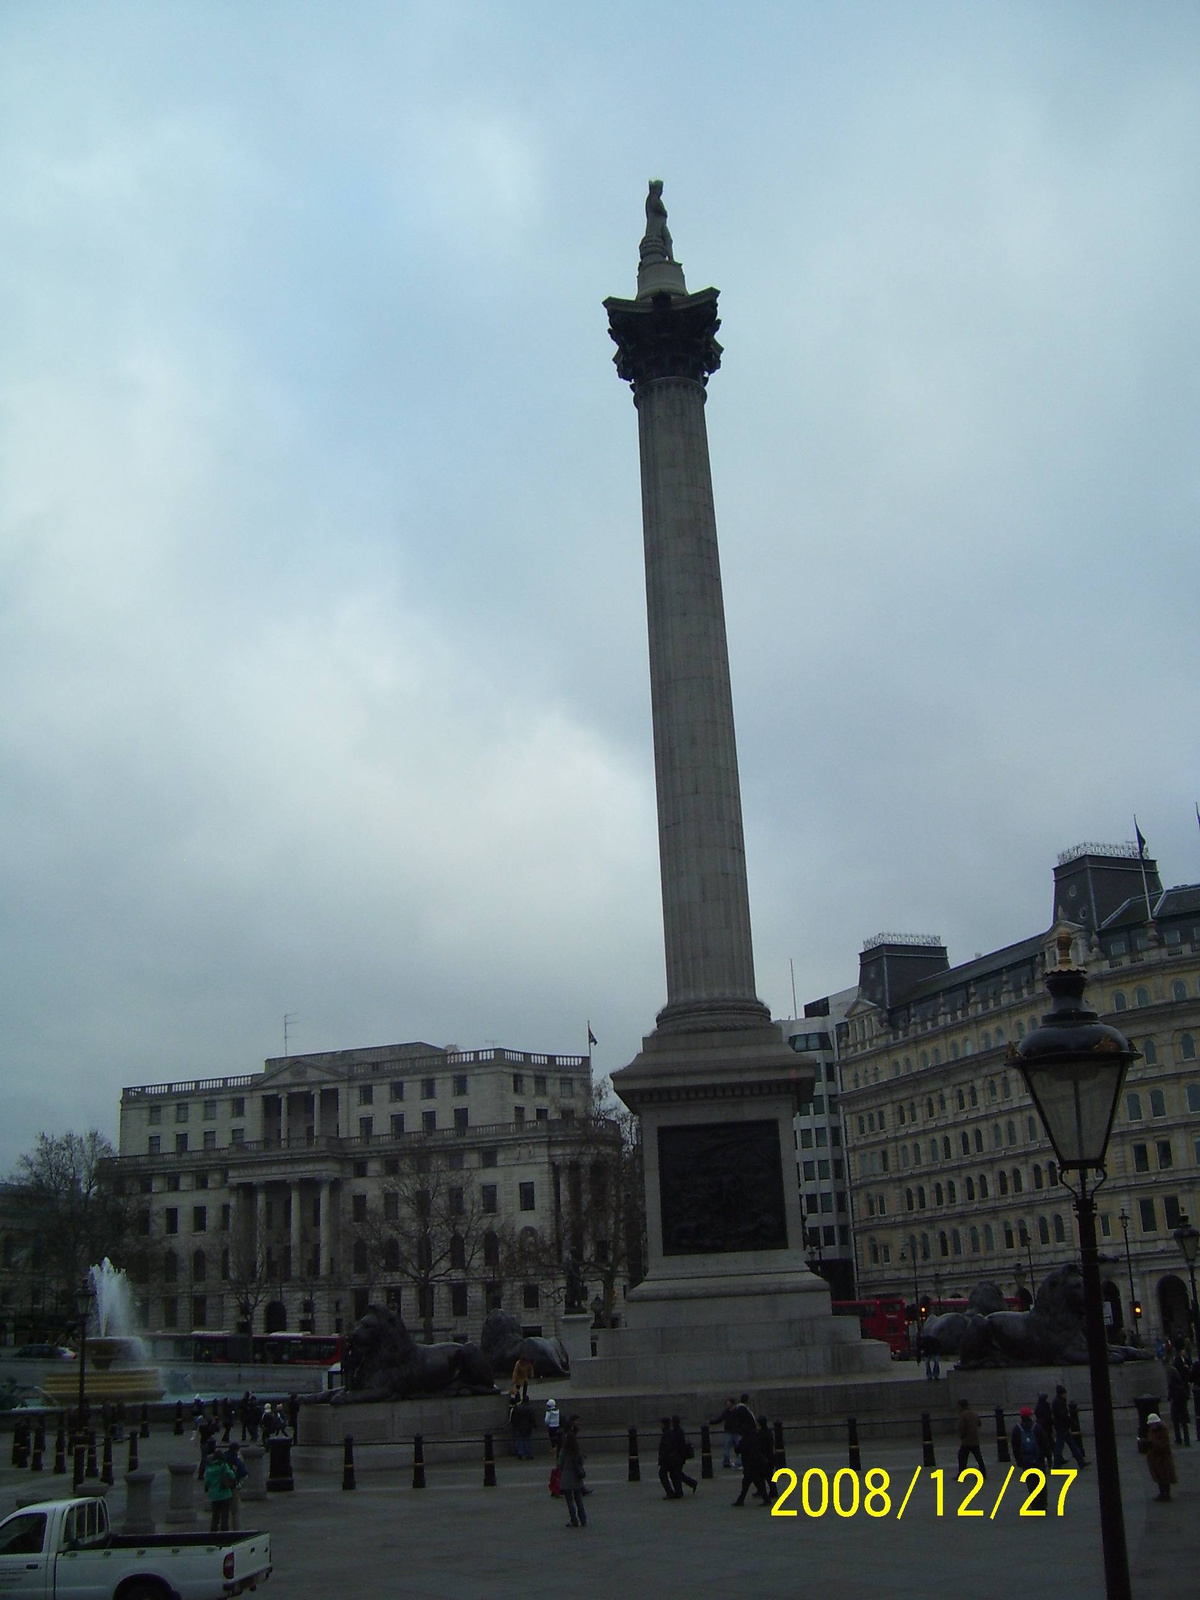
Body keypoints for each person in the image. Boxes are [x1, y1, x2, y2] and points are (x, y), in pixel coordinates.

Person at [731, 1412, 771, 1507]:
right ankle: (741, 1499)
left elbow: (737, 1449)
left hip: (750, 1464)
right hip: (757, 1462)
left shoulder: (744, 1440)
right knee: (751, 1482)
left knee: (751, 1483)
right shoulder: (756, 1436)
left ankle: (742, 1500)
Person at [558, 1415, 588, 1528]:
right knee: (578, 1499)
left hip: (566, 1476)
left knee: (569, 1501)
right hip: (576, 1476)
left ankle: (574, 1519)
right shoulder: (576, 1450)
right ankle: (583, 1519)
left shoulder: (564, 1450)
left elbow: (559, 1464)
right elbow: (581, 1461)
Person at [1144, 1413, 1177, 1502]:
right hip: (1156, 1457)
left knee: (1164, 1475)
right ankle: (1163, 1493)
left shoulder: (1160, 1431)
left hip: (1162, 1457)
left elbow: (1163, 1444)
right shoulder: (1153, 1430)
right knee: (1160, 1475)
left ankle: (1165, 1493)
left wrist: (1152, 1444)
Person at [1051, 1384, 1086, 1467]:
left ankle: (1080, 1461)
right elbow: (1063, 1415)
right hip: (1062, 1427)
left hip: (1061, 1427)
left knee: (1068, 1445)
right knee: (1064, 1446)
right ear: (1062, 1393)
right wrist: (1071, 1422)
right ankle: (1080, 1462)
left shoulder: (1057, 1401)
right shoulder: (1060, 1402)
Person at [203, 1450, 236, 1533]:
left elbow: (206, 1481)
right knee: (225, 1516)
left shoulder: (208, 1468)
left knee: (215, 1516)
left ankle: (213, 1532)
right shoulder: (223, 1466)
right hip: (225, 1494)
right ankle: (224, 1533)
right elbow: (232, 1475)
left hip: (214, 1496)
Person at [1010, 1406, 1051, 1472]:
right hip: (1038, 1459)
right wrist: (1049, 1457)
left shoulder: (1017, 1429)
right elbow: (1045, 1443)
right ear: (1030, 1416)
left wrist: (1018, 1460)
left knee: (1030, 1480)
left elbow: (1015, 1446)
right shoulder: (1037, 1427)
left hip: (1025, 1461)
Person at [956, 1400, 986, 1477]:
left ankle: (961, 1474)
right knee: (978, 1457)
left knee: (962, 1457)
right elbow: (979, 1423)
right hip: (975, 1439)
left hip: (966, 1440)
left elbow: (961, 1427)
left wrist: (961, 1436)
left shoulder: (962, 1415)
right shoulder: (974, 1413)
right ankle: (983, 1472)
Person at [222, 1441, 248, 1530]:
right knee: (235, 1512)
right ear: (237, 1450)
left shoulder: (222, 1459)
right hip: (233, 1487)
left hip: (221, 1488)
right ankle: (236, 1529)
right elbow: (244, 1474)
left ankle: (223, 1529)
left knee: (223, 1511)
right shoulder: (237, 1461)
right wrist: (239, 1485)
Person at [709, 1399, 740, 1470]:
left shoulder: (737, 1411)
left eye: (729, 1404)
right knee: (726, 1448)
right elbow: (720, 1419)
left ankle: (738, 1462)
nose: (728, 1405)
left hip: (736, 1432)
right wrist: (711, 1422)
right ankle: (726, 1462)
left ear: (732, 1404)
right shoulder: (726, 1412)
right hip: (729, 1431)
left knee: (738, 1448)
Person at [670, 1416, 698, 1495]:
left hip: (679, 1456)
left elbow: (679, 1445)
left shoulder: (677, 1431)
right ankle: (692, 1483)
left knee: (676, 1474)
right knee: (678, 1473)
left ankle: (679, 1491)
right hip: (679, 1456)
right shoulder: (677, 1430)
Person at [1167, 1361, 1192, 1447]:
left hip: (1176, 1401)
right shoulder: (1181, 1385)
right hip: (1182, 1401)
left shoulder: (1172, 1386)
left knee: (1176, 1420)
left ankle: (1178, 1439)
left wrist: (1169, 1397)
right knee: (1184, 1421)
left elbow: (1170, 1390)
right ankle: (1187, 1440)